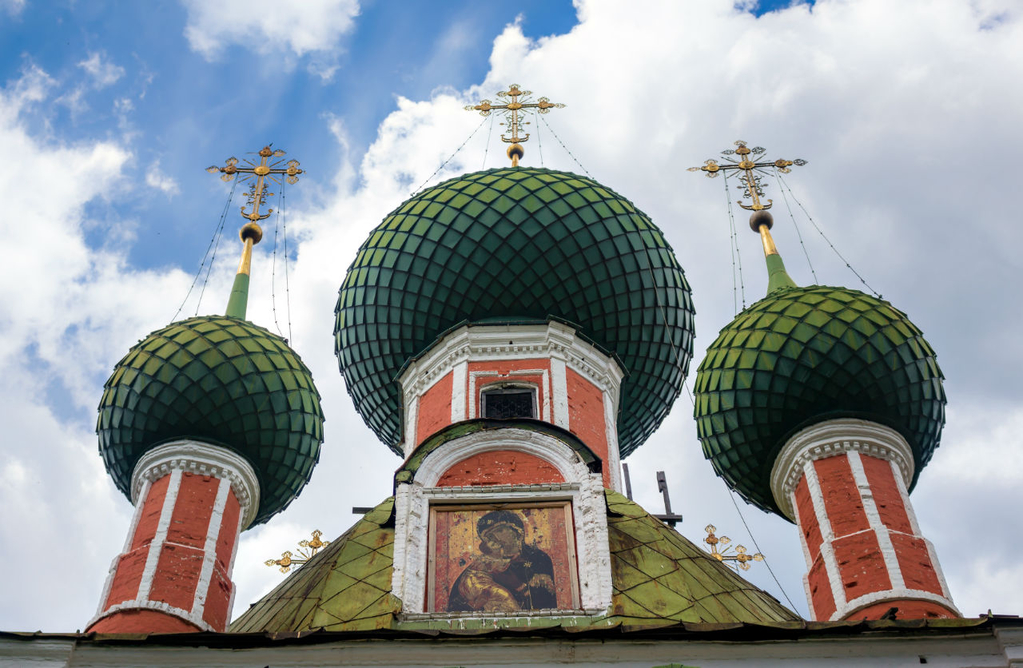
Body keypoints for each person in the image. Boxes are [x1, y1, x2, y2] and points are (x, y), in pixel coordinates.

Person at [447, 510, 558, 612]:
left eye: (499, 530)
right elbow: (457, 606)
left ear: (517, 531)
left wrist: (518, 586)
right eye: (488, 536)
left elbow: (547, 604)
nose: (494, 538)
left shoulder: (538, 558)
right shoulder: (484, 564)